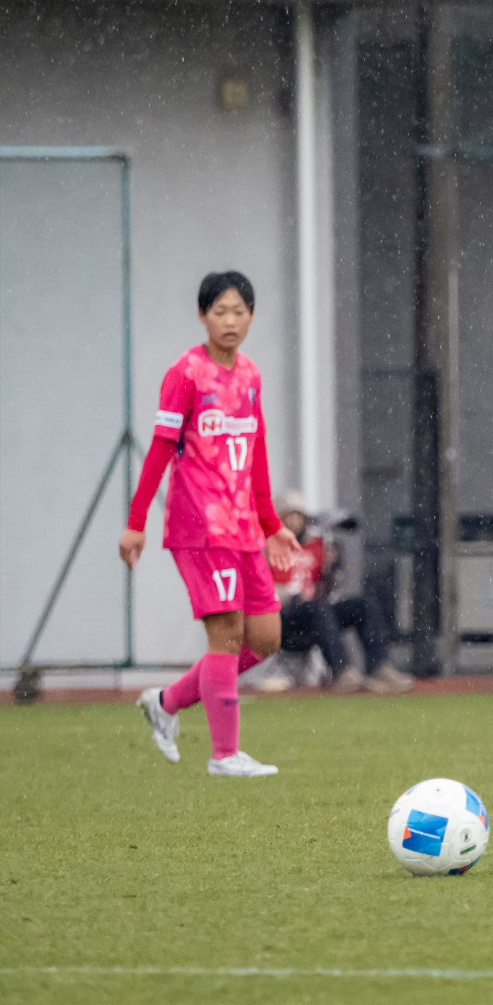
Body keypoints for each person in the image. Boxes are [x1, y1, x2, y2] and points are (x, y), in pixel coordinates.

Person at [120, 270, 301, 777]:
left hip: (244, 528)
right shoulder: (186, 374)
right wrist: (136, 522)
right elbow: (160, 449)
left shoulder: (250, 375)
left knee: (263, 639)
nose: (229, 321)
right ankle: (225, 755)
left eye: (239, 311)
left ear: (251, 317)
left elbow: (256, 453)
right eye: (219, 311)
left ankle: (166, 702)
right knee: (224, 635)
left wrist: (270, 524)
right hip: (198, 526)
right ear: (202, 316)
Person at [272, 493, 413, 694]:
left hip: (317, 615)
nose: (294, 522)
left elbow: (327, 590)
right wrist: (291, 596)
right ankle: (341, 671)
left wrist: (332, 570)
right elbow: (262, 591)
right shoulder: (267, 548)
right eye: (289, 517)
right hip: (284, 620)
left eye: (298, 516)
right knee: (316, 607)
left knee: (363, 605)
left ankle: (379, 666)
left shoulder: (317, 546)